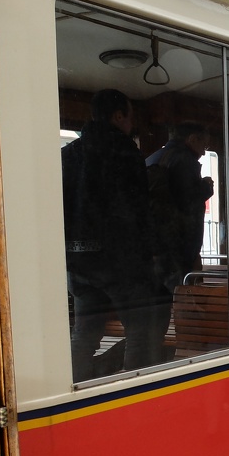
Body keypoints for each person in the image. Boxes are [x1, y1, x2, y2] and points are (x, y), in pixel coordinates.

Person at [62, 89, 165, 381]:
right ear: (118, 116)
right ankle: (135, 396)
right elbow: (136, 210)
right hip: (119, 263)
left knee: (84, 335)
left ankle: (74, 392)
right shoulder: (125, 152)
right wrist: (149, 255)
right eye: (130, 116)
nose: (131, 124)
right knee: (140, 332)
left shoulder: (68, 154)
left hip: (77, 262)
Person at [147, 123, 214, 295]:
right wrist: (206, 187)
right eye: (204, 145)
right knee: (184, 301)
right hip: (177, 246)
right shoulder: (185, 160)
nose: (204, 152)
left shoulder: (153, 158)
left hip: (153, 244)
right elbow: (188, 202)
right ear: (192, 139)